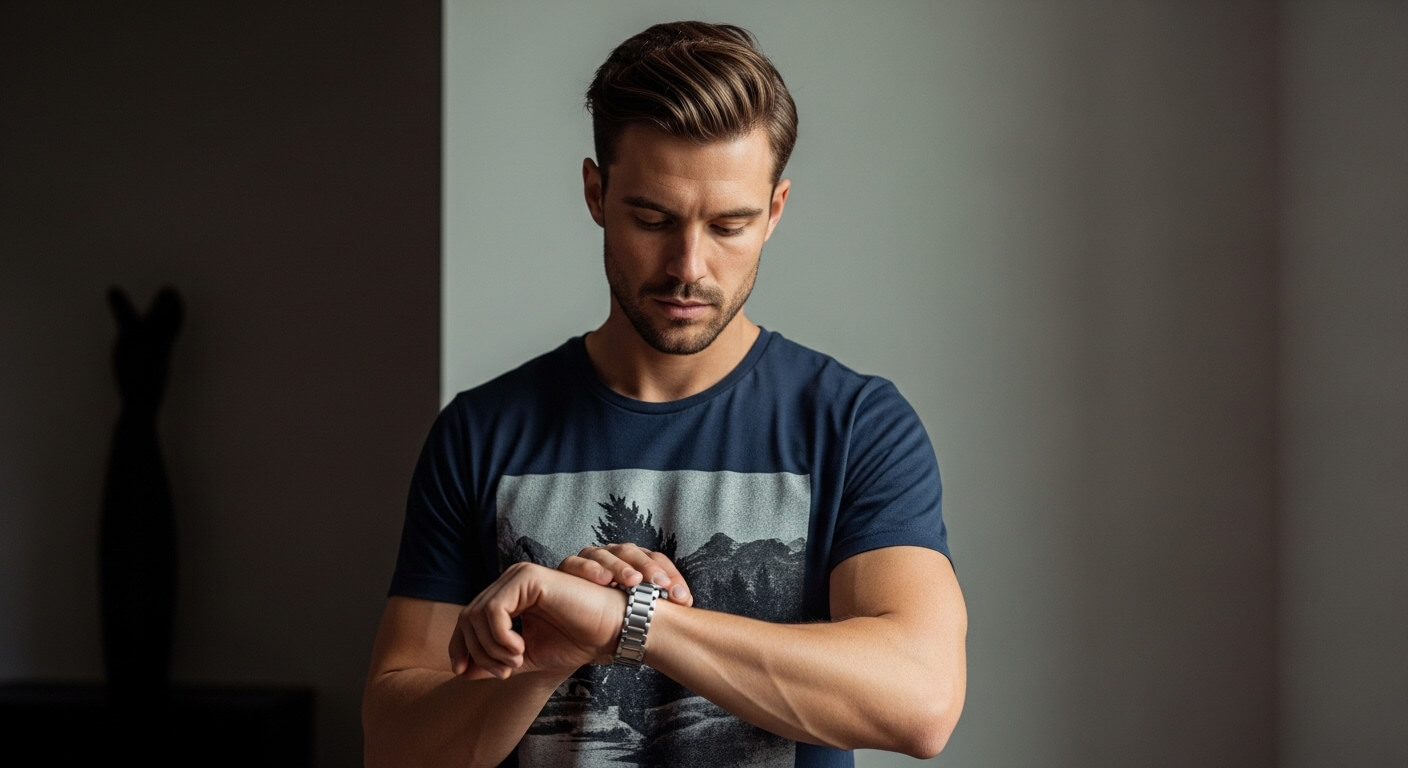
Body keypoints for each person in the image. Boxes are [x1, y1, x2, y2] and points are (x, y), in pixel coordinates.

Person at [362, 20, 966, 768]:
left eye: (729, 225)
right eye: (653, 218)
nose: (689, 266)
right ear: (596, 193)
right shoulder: (483, 432)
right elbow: (394, 747)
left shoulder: (856, 426)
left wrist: (626, 622)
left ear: (775, 212)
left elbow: (922, 701)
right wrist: (548, 655)